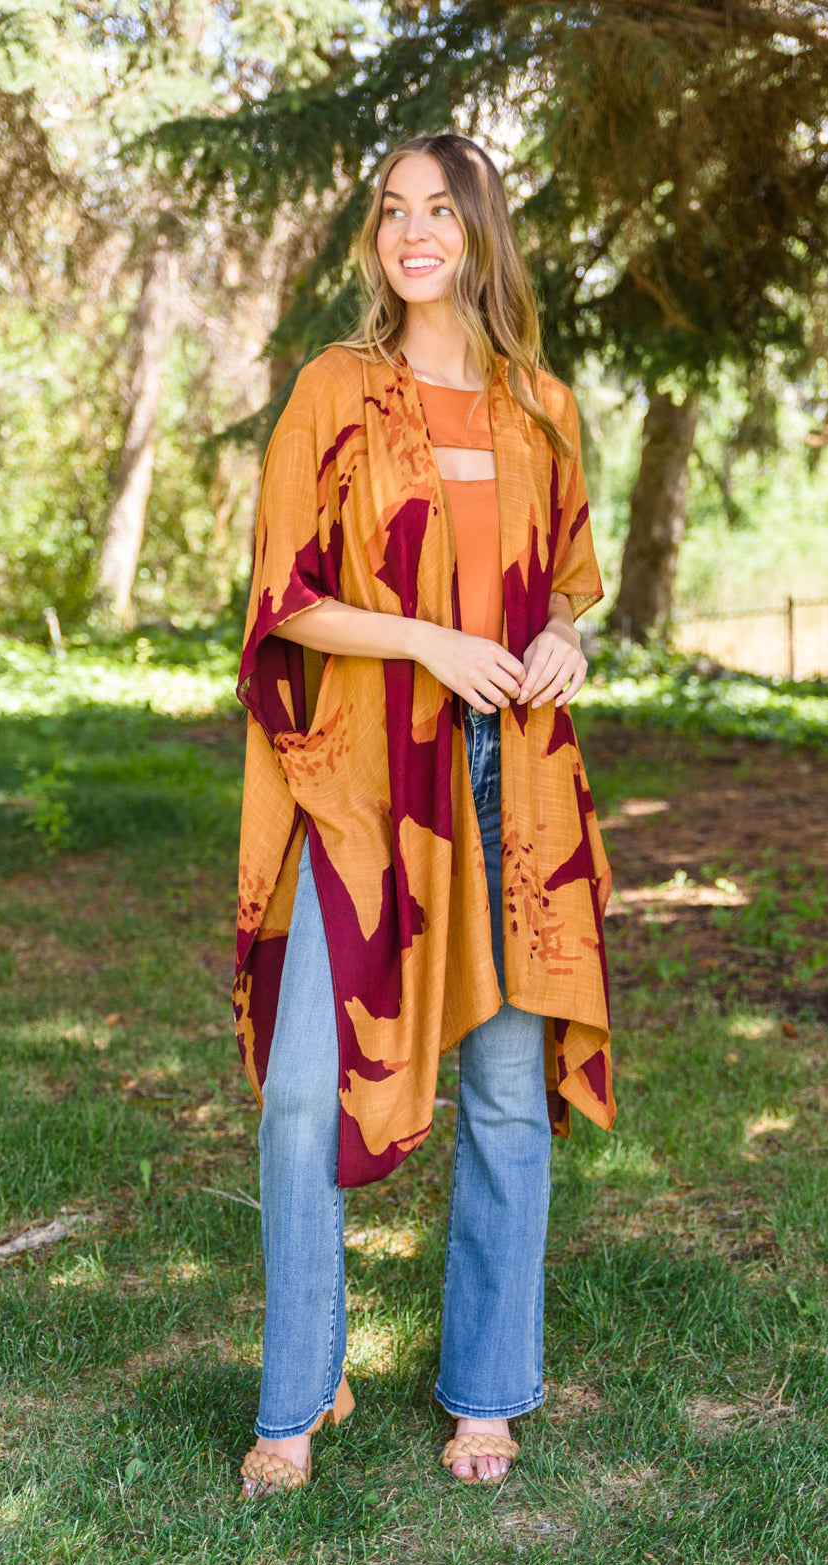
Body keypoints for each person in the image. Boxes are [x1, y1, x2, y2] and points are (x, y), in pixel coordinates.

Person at [232, 132, 614, 1495]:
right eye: (393, 210)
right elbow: (285, 602)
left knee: (505, 1095)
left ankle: (489, 1391)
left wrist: (562, 640)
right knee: (302, 1089)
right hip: (365, 787)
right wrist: (428, 644)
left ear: (480, 232)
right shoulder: (334, 391)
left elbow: (566, 586)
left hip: (516, 784)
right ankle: (301, 1386)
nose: (413, 232)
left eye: (440, 210)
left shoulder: (540, 405)